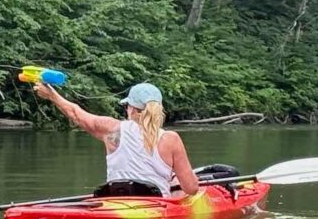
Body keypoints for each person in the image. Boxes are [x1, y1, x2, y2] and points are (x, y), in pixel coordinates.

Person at [34, 82, 198, 196]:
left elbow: (75, 114)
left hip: (115, 199)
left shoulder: (112, 130)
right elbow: (191, 189)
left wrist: (52, 95)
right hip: (155, 205)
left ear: (131, 108)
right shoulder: (170, 139)